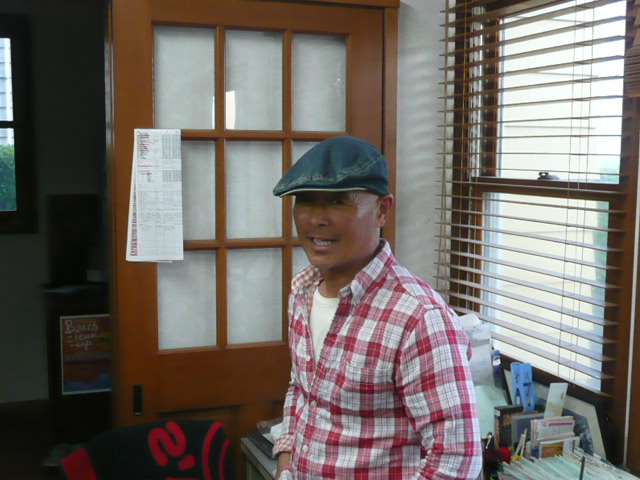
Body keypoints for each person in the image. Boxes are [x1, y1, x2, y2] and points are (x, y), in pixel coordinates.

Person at [272, 136, 482, 479]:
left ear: (382, 210)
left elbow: (456, 461)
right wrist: (285, 464)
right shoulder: (302, 291)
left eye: (338, 201)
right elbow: (302, 390)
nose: (317, 219)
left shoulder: (418, 317)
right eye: (306, 201)